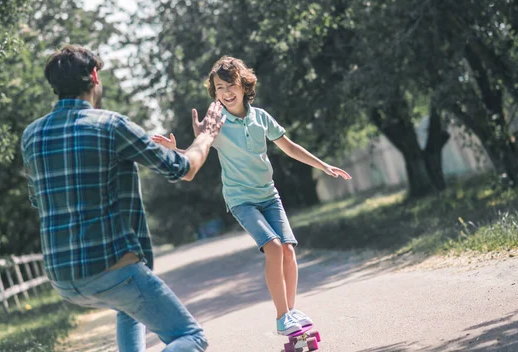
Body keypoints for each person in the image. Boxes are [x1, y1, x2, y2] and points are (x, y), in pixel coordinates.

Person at [21, 45, 225, 352]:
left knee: (129, 310)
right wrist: (207, 134)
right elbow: (183, 169)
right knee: (191, 337)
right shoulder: (111, 125)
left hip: (63, 279)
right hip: (112, 269)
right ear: (93, 76)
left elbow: (39, 200)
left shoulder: (31, 136)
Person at [152, 56, 351, 336]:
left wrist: (323, 165)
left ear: (245, 85)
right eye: (219, 87)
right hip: (241, 200)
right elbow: (199, 151)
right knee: (272, 246)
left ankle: (290, 312)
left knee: (288, 250)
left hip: (269, 196)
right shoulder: (217, 123)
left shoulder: (261, 118)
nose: (225, 92)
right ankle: (282, 317)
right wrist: (176, 151)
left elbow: (290, 147)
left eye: (230, 84)